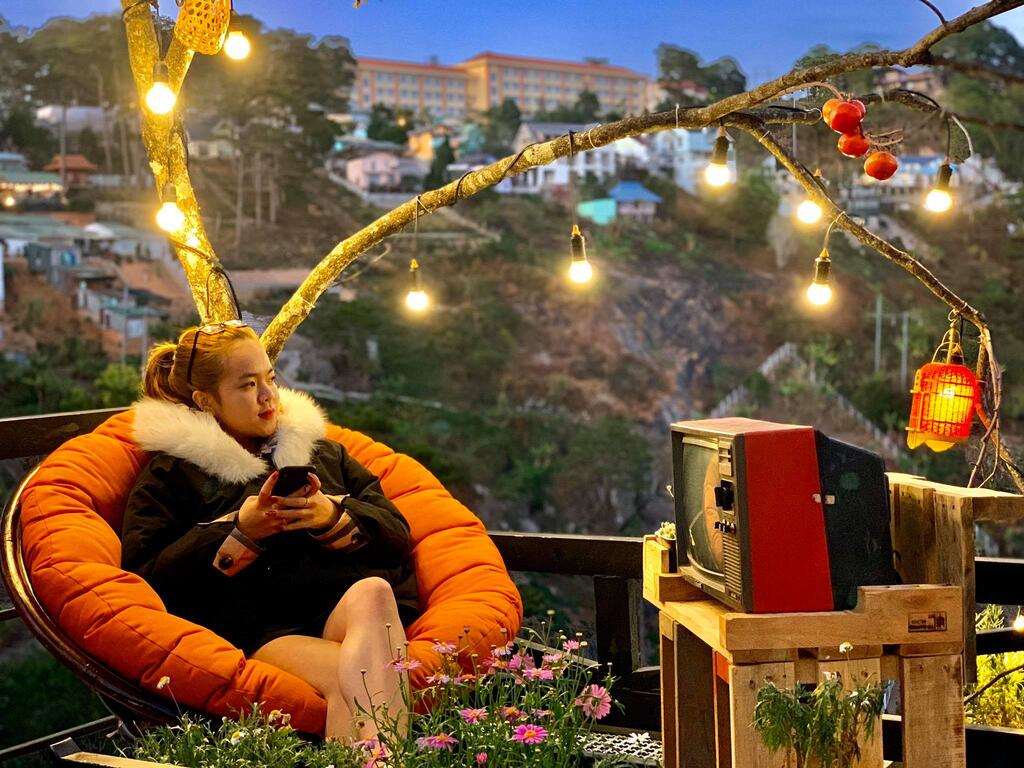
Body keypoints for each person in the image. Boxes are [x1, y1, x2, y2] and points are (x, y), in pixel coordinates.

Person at [121, 320, 419, 742]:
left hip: (344, 613)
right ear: (206, 400)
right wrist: (240, 530)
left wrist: (331, 515)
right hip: (264, 630)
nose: (268, 396)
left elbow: (398, 537)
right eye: (248, 385)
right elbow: (148, 580)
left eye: (271, 378)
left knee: (374, 592)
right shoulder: (172, 475)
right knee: (366, 678)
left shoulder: (324, 454)